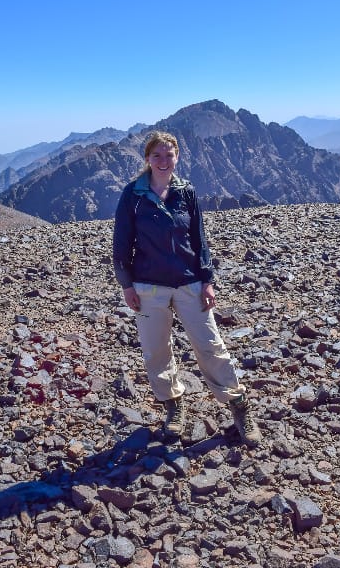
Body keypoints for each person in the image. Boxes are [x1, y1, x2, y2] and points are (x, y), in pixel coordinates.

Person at [112, 130, 260, 446]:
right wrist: (127, 285)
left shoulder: (186, 192)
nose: (163, 161)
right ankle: (173, 406)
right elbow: (121, 243)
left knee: (210, 344)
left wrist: (207, 280)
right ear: (147, 158)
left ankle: (238, 404)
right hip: (148, 285)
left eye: (169, 155)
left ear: (177, 157)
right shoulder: (133, 195)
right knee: (156, 351)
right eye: (157, 155)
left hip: (189, 281)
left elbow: (199, 239)